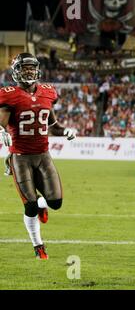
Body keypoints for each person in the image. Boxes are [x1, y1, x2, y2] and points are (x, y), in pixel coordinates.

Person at [0, 53, 76, 259]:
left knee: (56, 202)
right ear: (16, 72)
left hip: (43, 155)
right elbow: (1, 122)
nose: (29, 72)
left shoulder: (48, 92)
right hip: (20, 156)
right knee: (30, 205)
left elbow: (52, 124)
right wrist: (2, 131)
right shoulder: (9, 95)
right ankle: (38, 245)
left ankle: (44, 205)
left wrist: (65, 131)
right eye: (24, 68)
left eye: (32, 68)